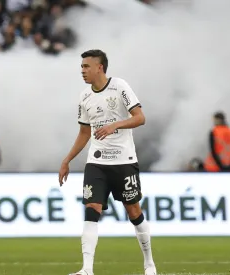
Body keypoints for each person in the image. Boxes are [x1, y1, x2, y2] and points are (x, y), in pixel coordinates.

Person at [58, 49, 156, 275]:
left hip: (124, 161)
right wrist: (67, 160)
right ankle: (87, 269)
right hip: (97, 162)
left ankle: (149, 263)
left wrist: (115, 125)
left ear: (99, 67)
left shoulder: (119, 86)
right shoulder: (85, 96)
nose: (82, 70)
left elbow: (140, 118)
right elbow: (84, 133)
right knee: (91, 209)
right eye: (81, 66)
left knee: (133, 212)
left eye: (86, 66)